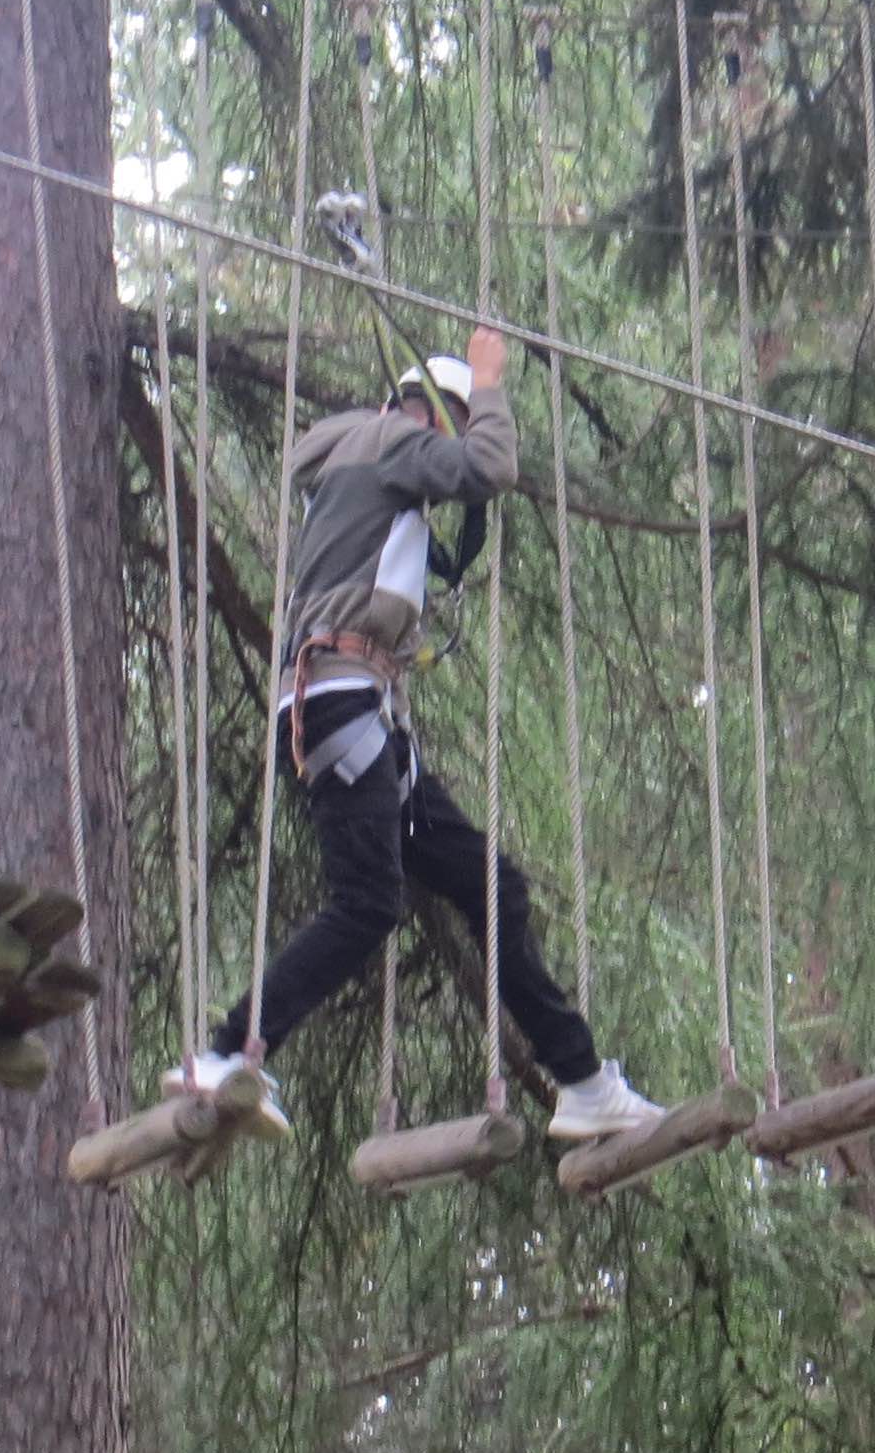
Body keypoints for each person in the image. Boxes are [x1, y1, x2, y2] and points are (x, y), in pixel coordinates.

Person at [175, 326, 664, 1144]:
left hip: (357, 712)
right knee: (366, 903)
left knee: (491, 887)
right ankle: (229, 1053)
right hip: (341, 704)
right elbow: (488, 468)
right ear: (435, 416)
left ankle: (580, 1081)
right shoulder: (394, 442)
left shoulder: (359, 464)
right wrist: (490, 382)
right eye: (458, 424)